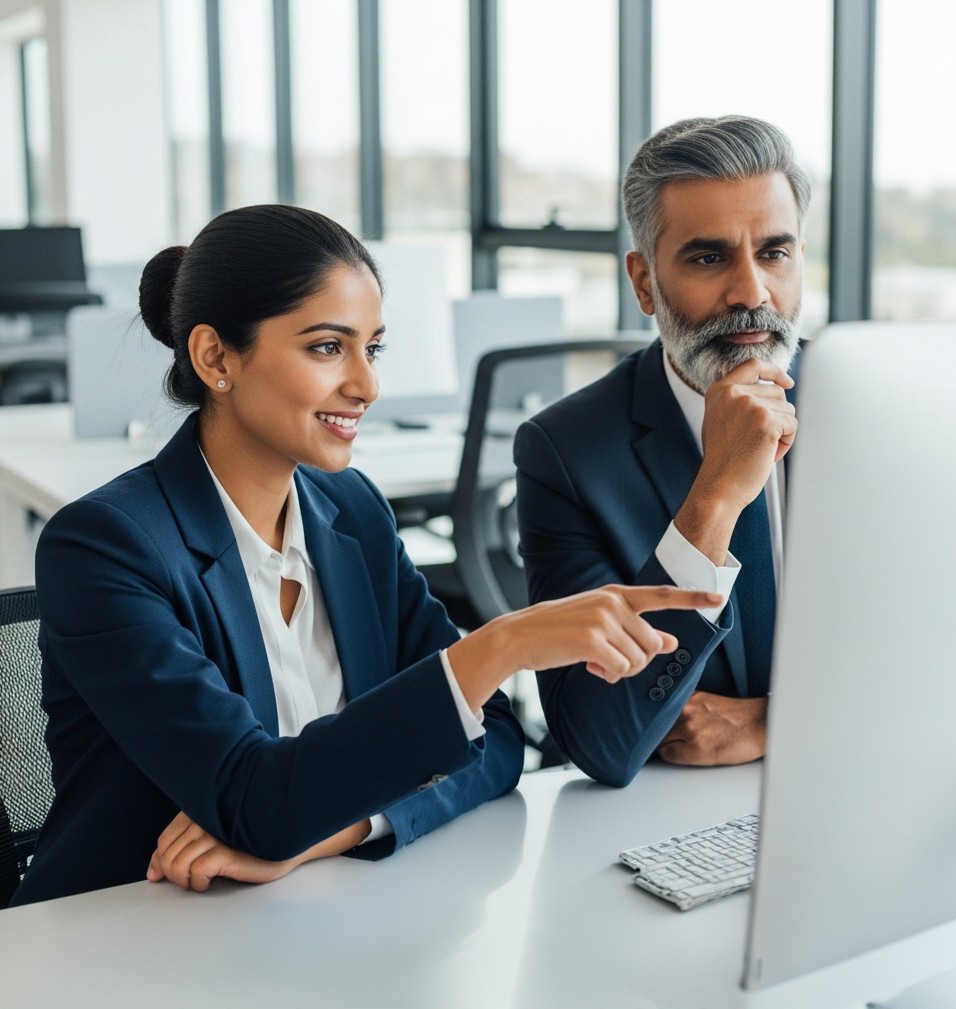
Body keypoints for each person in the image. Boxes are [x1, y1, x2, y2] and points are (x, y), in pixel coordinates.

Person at [10, 205, 720, 907]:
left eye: (371, 347)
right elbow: (253, 797)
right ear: (216, 357)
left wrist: (340, 828)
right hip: (118, 932)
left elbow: (498, 742)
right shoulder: (105, 546)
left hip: (320, 919)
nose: (366, 384)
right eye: (327, 347)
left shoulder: (349, 512)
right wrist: (502, 644)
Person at [515, 115, 806, 787]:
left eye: (773, 253)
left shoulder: (870, 408)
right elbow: (599, 738)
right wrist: (714, 498)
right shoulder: (565, 452)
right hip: (674, 821)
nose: (751, 294)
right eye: (708, 257)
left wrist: (770, 724)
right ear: (644, 282)